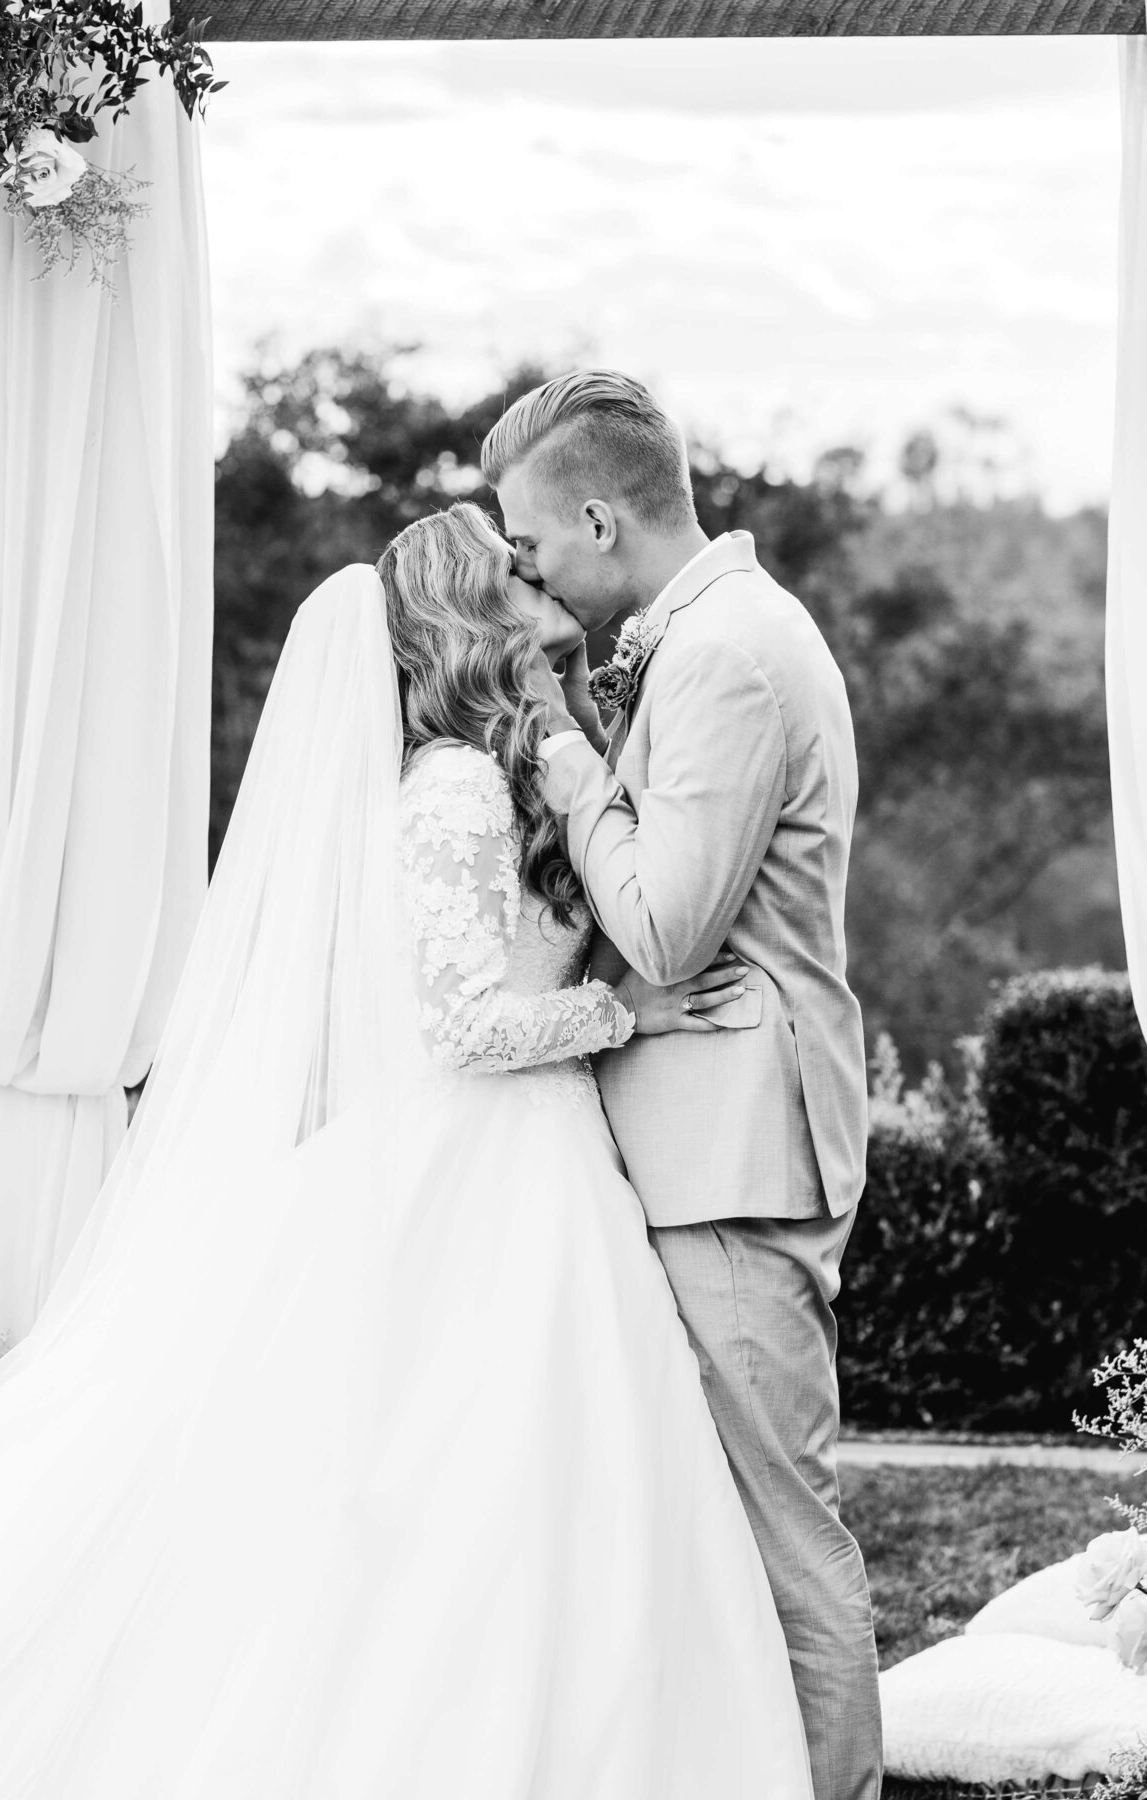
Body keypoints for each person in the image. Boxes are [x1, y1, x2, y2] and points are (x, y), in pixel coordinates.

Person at [0, 503, 814, 1797]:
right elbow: (465, 1026)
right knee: (481, 1483)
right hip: (485, 1163)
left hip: (536, 1159)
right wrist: (623, 1013)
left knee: (559, 1485)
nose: (534, 578)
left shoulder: (498, 767)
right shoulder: (453, 792)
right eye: (511, 569)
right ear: (473, 613)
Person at [483, 369, 884, 1800]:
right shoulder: (714, 631)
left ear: (598, 517)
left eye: (529, 545)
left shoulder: (723, 655)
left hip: (732, 1151)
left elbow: (660, 925)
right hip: (702, 1131)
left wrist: (555, 732)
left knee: (784, 1546)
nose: (520, 573)